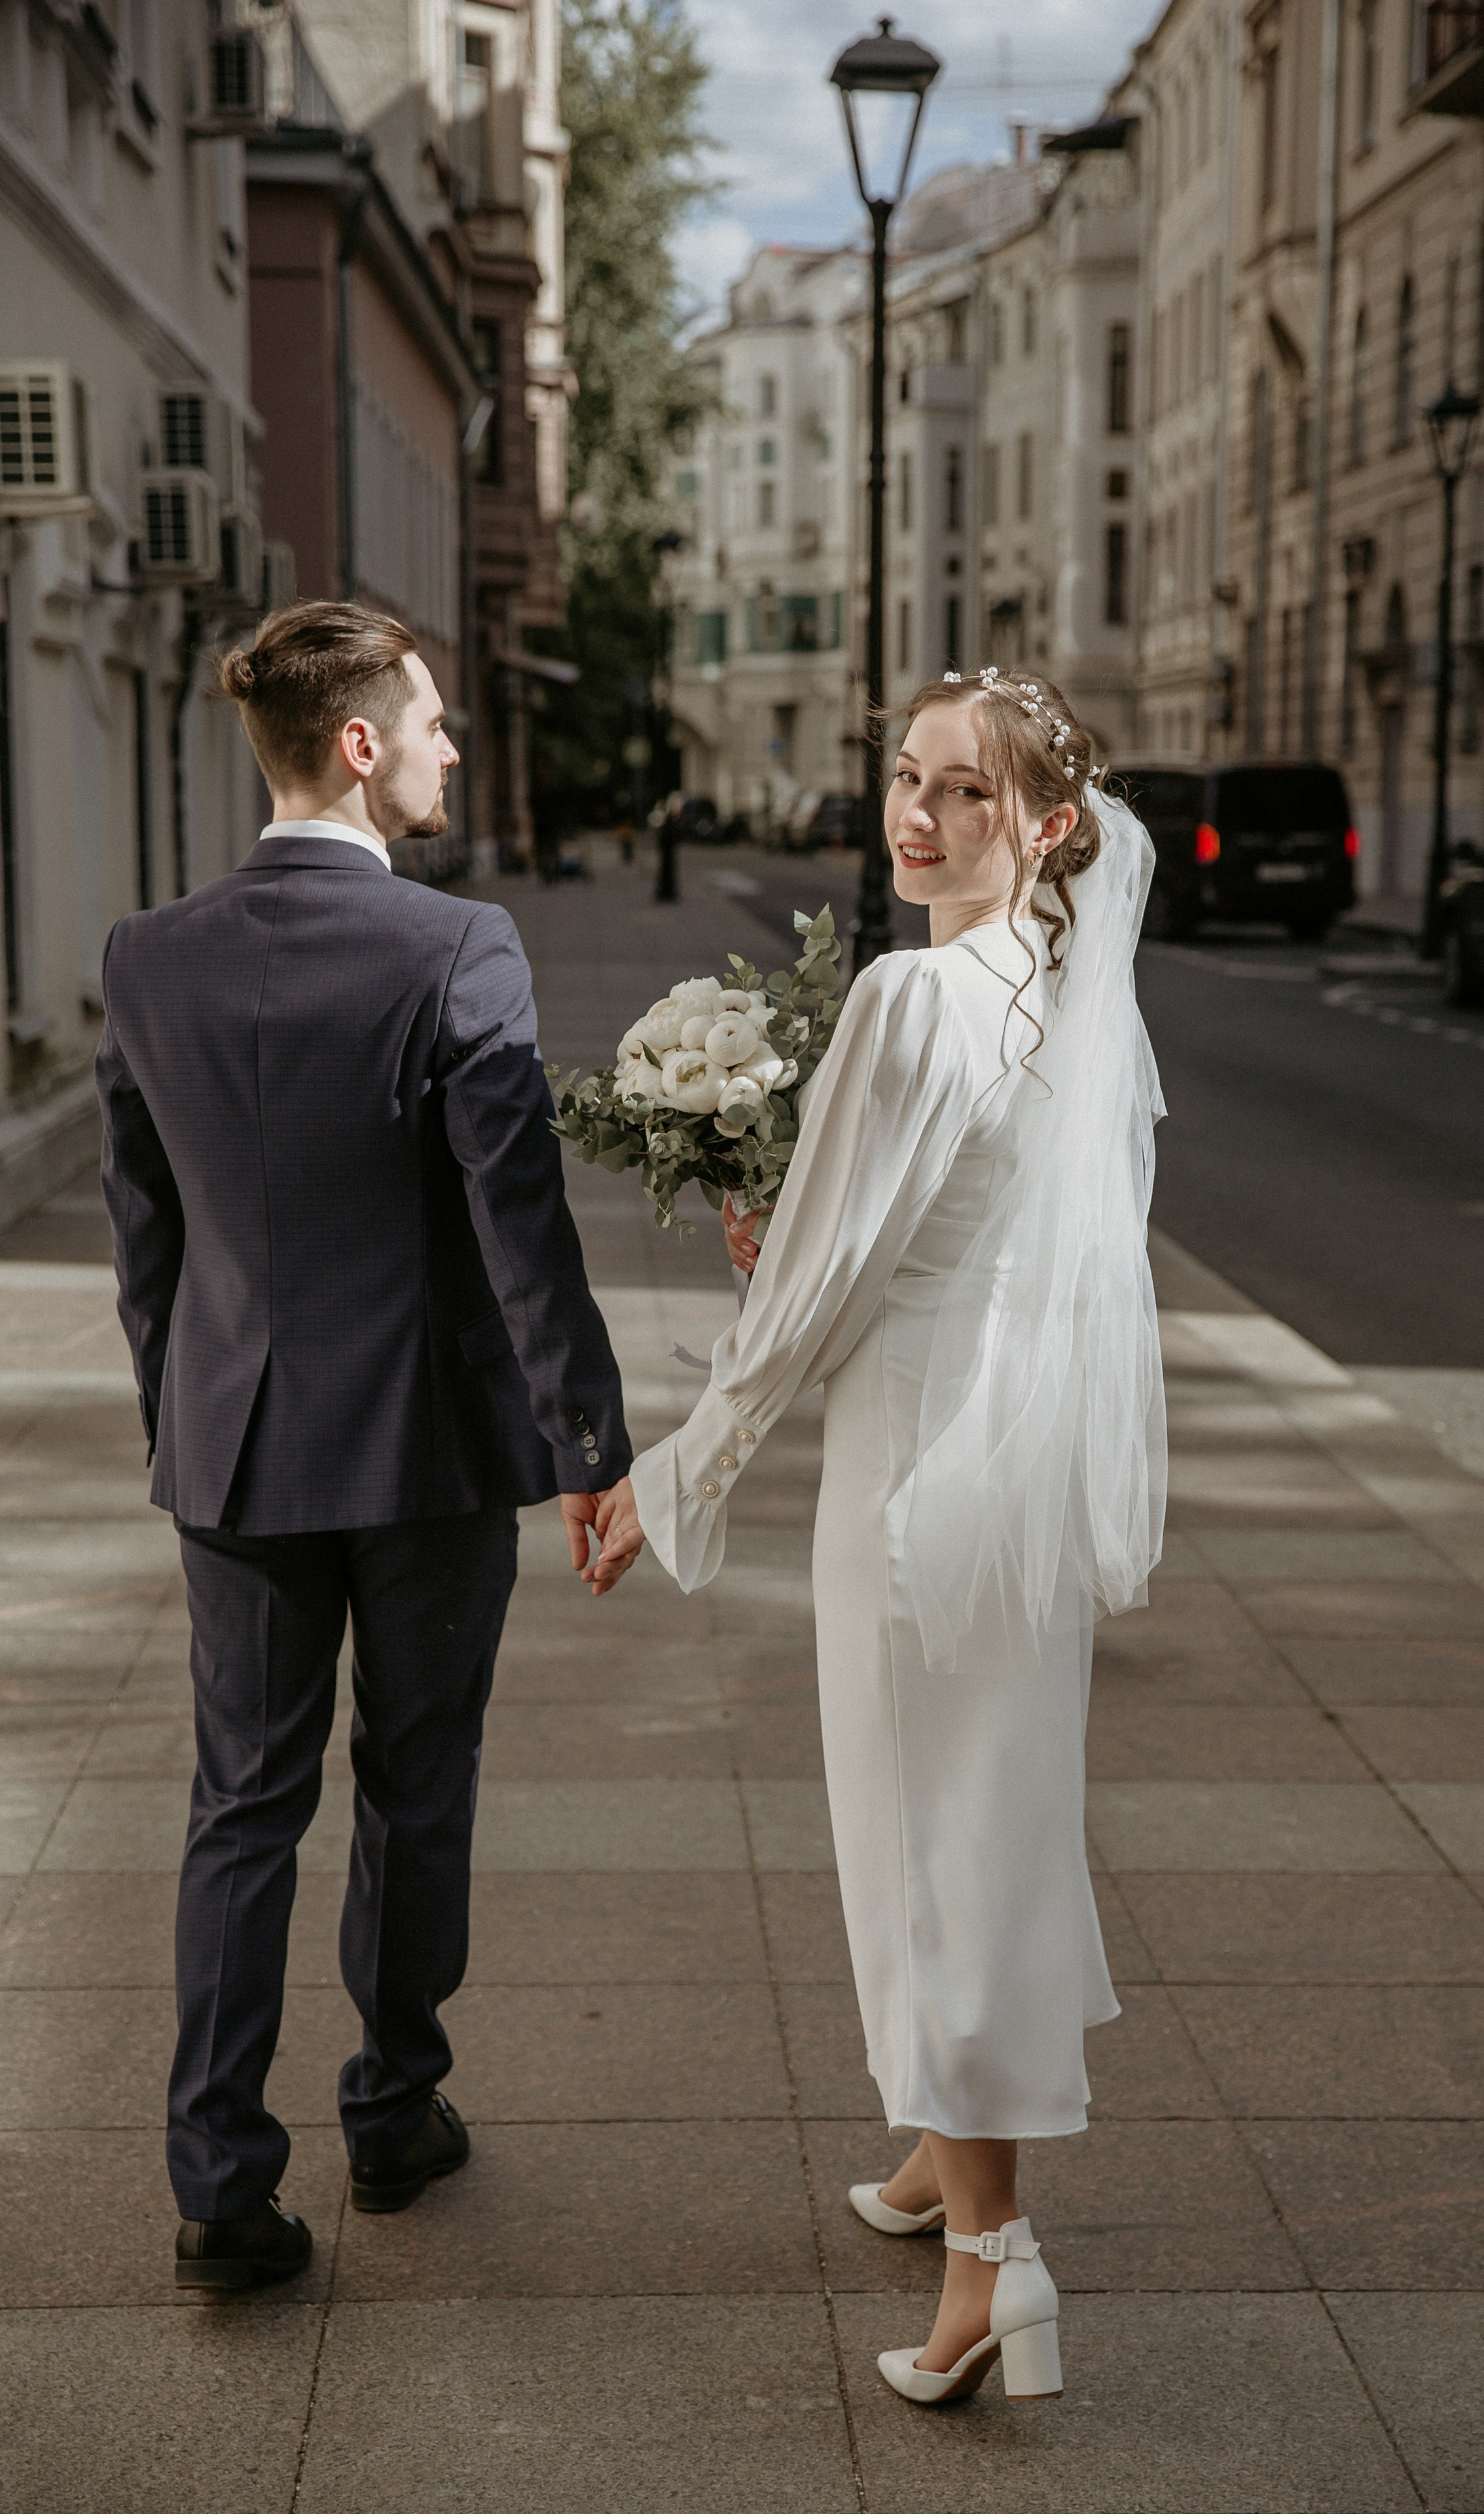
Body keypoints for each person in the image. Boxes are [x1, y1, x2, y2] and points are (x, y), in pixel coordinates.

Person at [632, 665, 1166, 2408]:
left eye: (969, 796)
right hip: (1010, 1455)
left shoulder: (912, 990)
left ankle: (990, 2270)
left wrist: (673, 1475)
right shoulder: (1067, 986)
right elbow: (954, 1231)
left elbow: (813, 1296)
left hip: (916, 1474)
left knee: (930, 1846)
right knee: (995, 1806)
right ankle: (951, 2155)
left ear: (1053, 824)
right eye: (909, 781)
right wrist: (803, 1236)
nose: (919, 819)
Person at [97, 600, 645, 2294]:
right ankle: (394, 2113)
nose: (451, 747)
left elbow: (145, 1238)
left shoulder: (145, 955)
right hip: (423, 1455)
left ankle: (218, 2181)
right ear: (357, 747)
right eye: (430, 722)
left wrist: (181, 1413)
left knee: (240, 1806)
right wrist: (593, 1441)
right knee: (416, 1788)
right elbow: (519, 1230)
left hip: (233, 1452)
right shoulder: (455, 949)